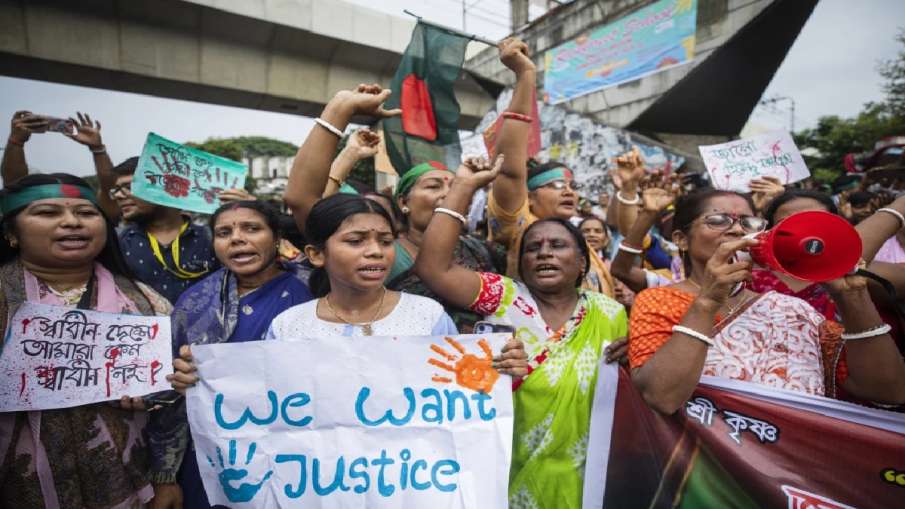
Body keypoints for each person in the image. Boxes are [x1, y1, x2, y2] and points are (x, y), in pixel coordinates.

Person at [414, 157, 628, 509]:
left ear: (581, 264)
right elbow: (433, 268)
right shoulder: (505, 297)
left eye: (558, 246)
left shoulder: (609, 313)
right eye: (533, 248)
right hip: (507, 476)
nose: (544, 252)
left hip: (588, 480)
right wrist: (464, 186)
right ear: (521, 263)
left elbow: (628, 392)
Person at [170, 194, 528, 387]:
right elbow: (264, 395)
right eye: (356, 241)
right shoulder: (289, 326)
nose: (374, 251)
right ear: (316, 255)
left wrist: (499, 370)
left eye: (385, 241)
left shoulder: (427, 316)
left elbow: (465, 391)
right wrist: (204, 381)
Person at [628, 189, 905, 415]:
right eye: (718, 220)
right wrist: (708, 301)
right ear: (681, 240)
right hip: (703, 474)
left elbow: (888, 390)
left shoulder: (791, 309)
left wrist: (851, 297)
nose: (736, 230)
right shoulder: (659, 301)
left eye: (748, 223)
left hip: (791, 470)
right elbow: (661, 397)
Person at [0, 173, 171, 508]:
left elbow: (171, 401)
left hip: (128, 480)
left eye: (87, 213)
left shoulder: (149, 304)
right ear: (11, 234)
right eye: (48, 213)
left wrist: (164, 391)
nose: (71, 222)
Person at [282, 83, 505, 332]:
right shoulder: (291, 325)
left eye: (456, 187)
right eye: (433, 186)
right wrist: (340, 112)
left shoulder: (481, 253)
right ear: (403, 202)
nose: (447, 195)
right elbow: (304, 202)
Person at [151, 200, 314, 509]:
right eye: (224, 232)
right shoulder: (195, 303)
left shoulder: (313, 291)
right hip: (217, 457)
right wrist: (165, 475)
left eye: (252, 228)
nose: (237, 238)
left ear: (277, 238)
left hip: (296, 452)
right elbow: (167, 395)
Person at [486, 38, 614, 296]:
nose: (568, 192)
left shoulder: (576, 239)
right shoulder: (522, 229)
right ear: (529, 198)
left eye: (571, 186)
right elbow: (509, 172)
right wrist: (525, 75)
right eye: (556, 185)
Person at [110, 157, 224, 303]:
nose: (119, 196)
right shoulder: (117, 244)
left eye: (129, 186)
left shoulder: (212, 238)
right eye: (116, 190)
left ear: (165, 188)